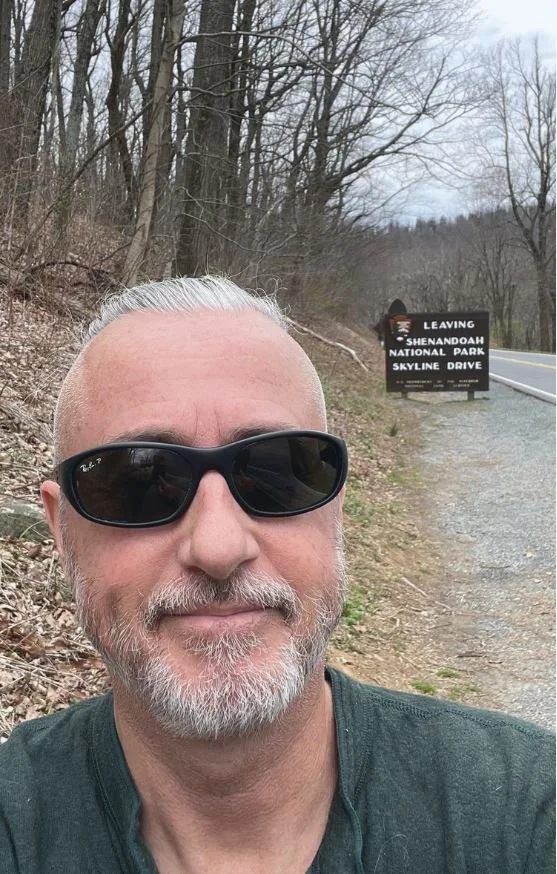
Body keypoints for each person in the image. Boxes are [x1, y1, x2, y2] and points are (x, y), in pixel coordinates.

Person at [0, 276, 553, 874]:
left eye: (275, 472)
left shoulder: (523, 815)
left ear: (334, 508)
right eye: (139, 482)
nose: (217, 547)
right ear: (60, 531)